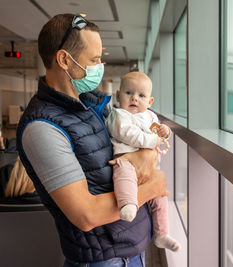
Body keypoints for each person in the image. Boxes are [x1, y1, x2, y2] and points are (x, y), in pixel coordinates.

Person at [16, 14, 167, 267]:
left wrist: (147, 156)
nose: (101, 66)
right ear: (65, 59)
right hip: (103, 260)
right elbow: (86, 215)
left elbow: (139, 149)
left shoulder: (91, 105)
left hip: (131, 249)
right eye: (95, 59)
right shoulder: (42, 127)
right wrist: (152, 187)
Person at [105, 72, 180, 252]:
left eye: (141, 95)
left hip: (149, 167)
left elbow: (158, 133)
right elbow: (127, 134)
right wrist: (153, 141)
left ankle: (162, 234)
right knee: (123, 178)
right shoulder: (119, 115)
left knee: (160, 197)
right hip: (125, 159)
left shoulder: (150, 116)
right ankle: (127, 204)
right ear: (118, 95)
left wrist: (165, 132)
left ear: (150, 101)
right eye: (129, 93)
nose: (134, 99)